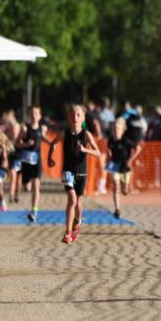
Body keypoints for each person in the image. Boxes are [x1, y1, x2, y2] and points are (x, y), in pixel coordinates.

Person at [52, 104, 102, 244]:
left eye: (78, 115)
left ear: (83, 118)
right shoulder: (64, 133)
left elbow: (98, 152)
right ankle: (68, 233)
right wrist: (50, 157)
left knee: (79, 201)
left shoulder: (86, 135)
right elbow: (53, 143)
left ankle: (77, 222)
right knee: (72, 200)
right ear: (68, 117)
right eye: (72, 115)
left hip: (82, 172)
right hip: (67, 171)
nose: (75, 117)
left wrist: (86, 150)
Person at [105, 116, 142, 219]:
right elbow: (109, 150)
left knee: (125, 192)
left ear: (122, 130)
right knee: (116, 187)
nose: (116, 131)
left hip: (125, 168)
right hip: (115, 167)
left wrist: (131, 160)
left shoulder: (126, 140)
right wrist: (109, 158)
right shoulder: (110, 140)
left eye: (118, 129)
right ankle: (117, 209)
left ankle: (126, 187)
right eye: (114, 129)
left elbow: (138, 148)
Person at [17, 105, 45, 223]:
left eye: (36, 113)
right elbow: (16, 143)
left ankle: (34, 212)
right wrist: (26, 144)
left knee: (36, 186)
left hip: (37, 161)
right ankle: (26, 186)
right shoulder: (24, 128)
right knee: (27, 188)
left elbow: (44, 138)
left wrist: (52, 144)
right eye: (32, 113)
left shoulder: (43, 128)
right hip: (26, 161)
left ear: (40, 116)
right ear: (29, 115)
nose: (34, 115)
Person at [2, 110, 22, 203]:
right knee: (13, 177)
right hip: (13, 160)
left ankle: (17, 194)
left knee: (19, 179)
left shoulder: (21, 138)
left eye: (16, 130)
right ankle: (11, 195)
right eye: (12, 129)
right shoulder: (8, 140)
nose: (14, 131)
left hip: (21, 159)